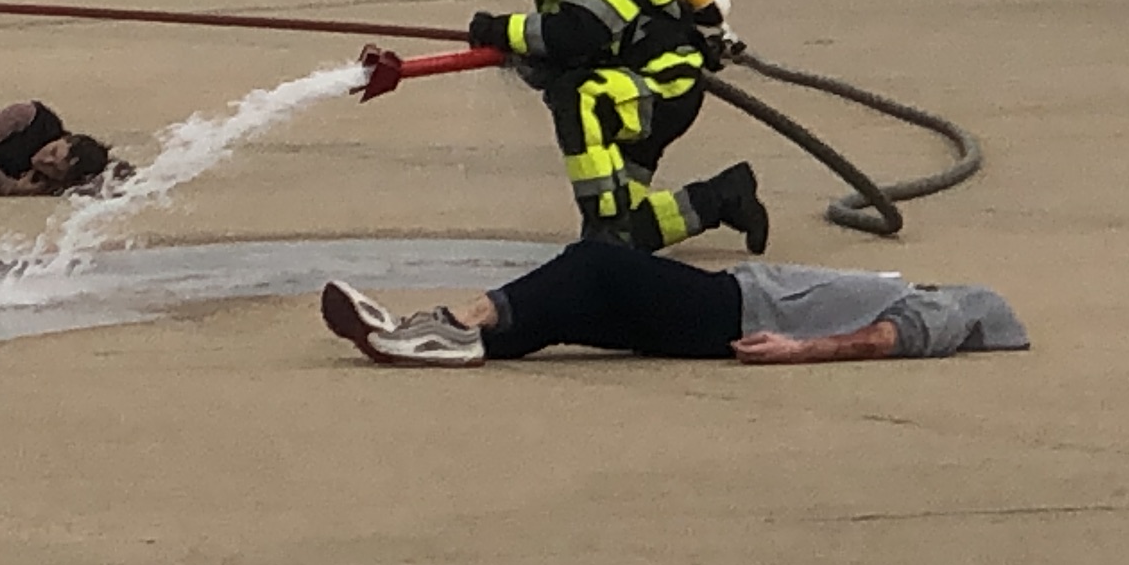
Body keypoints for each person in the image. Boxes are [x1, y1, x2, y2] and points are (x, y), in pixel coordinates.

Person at [462, 0, 766, 253]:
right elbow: (560, 52)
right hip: (627, 85)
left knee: (577, 96)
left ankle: (602, 226)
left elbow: (577, 33)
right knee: (630, 238)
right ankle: (722, 197)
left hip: (663, 84)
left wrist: (501, 29)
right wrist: (523, 55)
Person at [320, 241, 1026, 367]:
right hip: (739, 308)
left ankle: (446, 324)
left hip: (739, 311)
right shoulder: (916, 298)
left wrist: (799, 350)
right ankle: (454, 346)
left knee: (594, 262)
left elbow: (883, 341)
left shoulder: (952, 309)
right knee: (572, 309)